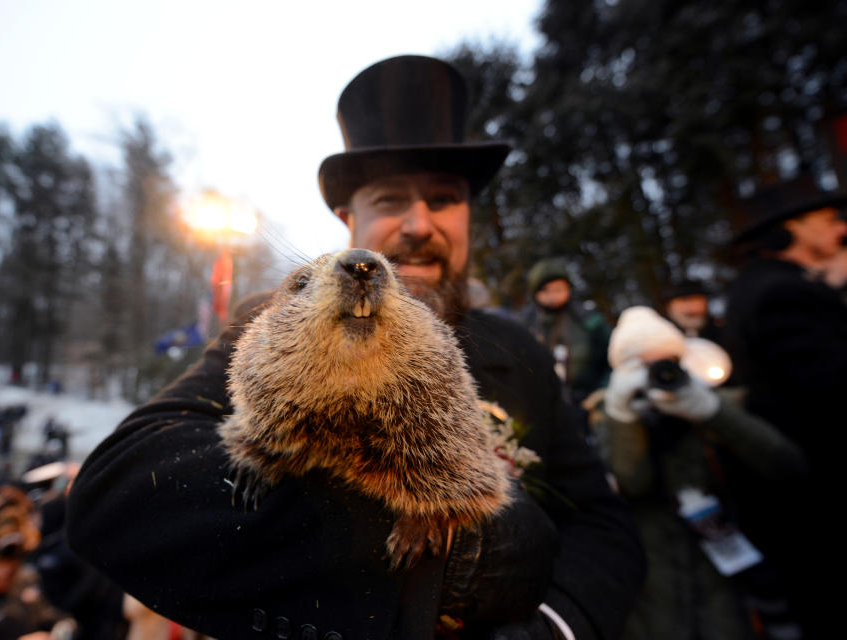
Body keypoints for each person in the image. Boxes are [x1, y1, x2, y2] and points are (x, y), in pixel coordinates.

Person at [66, 54, 644, 639]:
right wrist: (451, 561)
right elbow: (118, 492)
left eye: (442, 198)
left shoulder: (519, 350)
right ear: (349, 218)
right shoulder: (272, 322)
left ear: (469, 215)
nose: (418, 225)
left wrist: (552, 629)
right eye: (391, 200)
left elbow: (604, 524)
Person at [588, 307, 806, 640]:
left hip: (728, 574)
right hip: (655, 580)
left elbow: (784, 463)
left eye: (668, 362)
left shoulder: (715, 401)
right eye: (644, 366)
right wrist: (624, 417)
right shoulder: (609, 415)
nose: (659, 373)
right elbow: (632, 482)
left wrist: (711, 410)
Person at [723, 174, 847, 637]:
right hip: (816, 502)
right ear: (794, 226)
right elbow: (830, 394)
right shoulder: (782, 295)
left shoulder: (769, 287)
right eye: (830, 219)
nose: (841, 229)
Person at [519, 259, 612, 406]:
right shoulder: (523, 323)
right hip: (541, 402)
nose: (553, 296)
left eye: (559, 289)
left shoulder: (587, 318)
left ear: (568, 288)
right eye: (545, 290)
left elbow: (611, 356)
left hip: (587, 400)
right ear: (535, 292)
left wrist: (602, 390)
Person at [661, 279, 725, 345]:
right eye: (683, 300)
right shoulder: (661, 337)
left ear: (706, 303)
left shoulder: (724, 334)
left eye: (696, 300)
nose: (690, 307)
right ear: (669, 306)